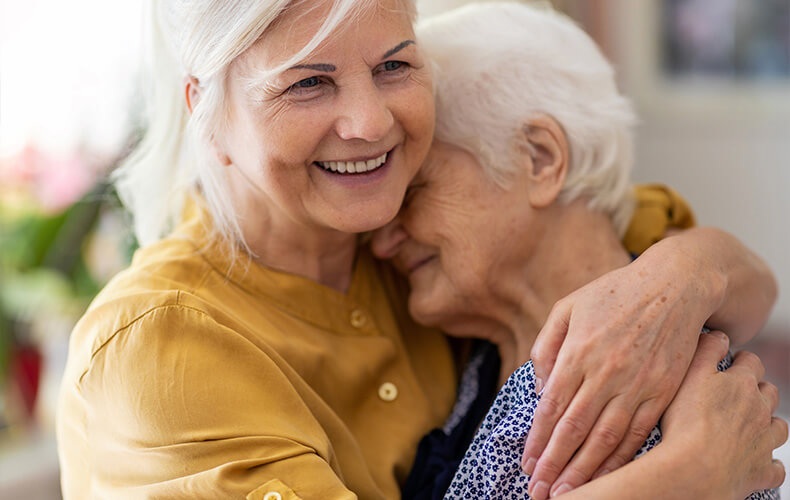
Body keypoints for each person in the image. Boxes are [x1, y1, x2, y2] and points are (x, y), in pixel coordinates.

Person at [55, 0, 780, 498]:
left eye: (395, 66)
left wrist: (690, 273)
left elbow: (671, 255)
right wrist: (687, 480)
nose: (369, 124)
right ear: (205, 112)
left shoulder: (398, 244)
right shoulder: (155, 351)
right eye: (308, 83)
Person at [371, 3, 786, 499]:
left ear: (540, 159)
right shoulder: (474, 363)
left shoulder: (667, 381)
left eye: (414, 190)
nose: (381, 238)